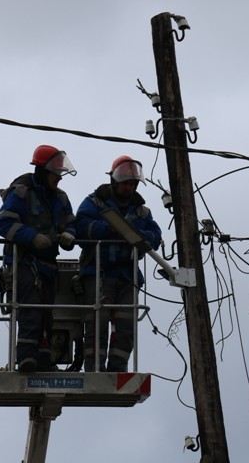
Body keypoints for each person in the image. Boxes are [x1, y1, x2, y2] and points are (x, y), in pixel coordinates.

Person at [0, 145, 77, 373]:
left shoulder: (60, 198)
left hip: (48, 266)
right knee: (31, 311)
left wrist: (70, 234)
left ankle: (44, 360)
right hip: (24, 263)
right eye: (56, 173)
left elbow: (70, 222)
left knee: (46, 315)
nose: (59, 179)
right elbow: (2, 223)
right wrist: (33, 238)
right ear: (42, 170)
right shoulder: (21, 193)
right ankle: (27, 358)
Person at [76, 156, 162, 372]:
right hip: (98, 272)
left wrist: (136, 234)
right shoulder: (94, 202)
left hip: (127, 275)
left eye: (132, 184)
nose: (129, 188)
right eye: (126, 183)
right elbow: (81, 227)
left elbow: (155, 236)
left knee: (126, 324)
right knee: (97, 321)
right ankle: (94, 368)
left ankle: (118, 368)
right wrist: (110, 229)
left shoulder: (142, 211)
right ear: (114, 181)